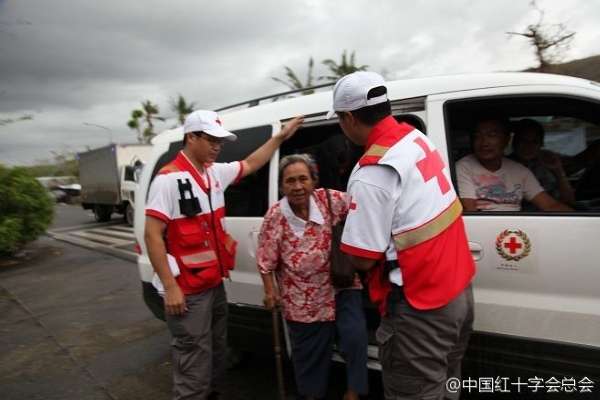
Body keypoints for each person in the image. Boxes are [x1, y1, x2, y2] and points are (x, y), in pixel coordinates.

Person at [328, 71, 476, 400]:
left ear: (349, 118)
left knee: (416, 391)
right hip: (458, 291)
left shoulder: (373, 171)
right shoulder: (416, 139)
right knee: (447, 382)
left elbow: (363, 260)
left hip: (420, 308)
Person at [144, 110, 303, 400]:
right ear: (191, 137)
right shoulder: (168, 180)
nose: (218, 146)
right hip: (187, 291)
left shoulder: (214, 173)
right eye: (211, 140)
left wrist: (279, 137)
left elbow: (252, 163)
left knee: (217, 351)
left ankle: (210, 393)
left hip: (214, 284)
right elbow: (152, 235)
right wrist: (170, 287)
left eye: (221, 141)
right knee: (193, 357)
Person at [256, 154, 368, 400]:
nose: (297, 187)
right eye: (290, 181)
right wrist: (270, 291)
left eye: (303, 179)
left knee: (355, 337)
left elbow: (365, 206)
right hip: (302, 299)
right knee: (310, 356)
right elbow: (265, 261)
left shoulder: (329, 199)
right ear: (282, 186)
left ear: (313, 180)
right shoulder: (276, 216)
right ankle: (312, 394)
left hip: (341, 285)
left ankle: (353, 392)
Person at [456, 117, 572, 212]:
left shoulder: (519, 171)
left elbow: (550, 205)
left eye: (492, 135)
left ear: (506, 140)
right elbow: (469, 210)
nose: (484, 142)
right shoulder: (464, 167)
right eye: (477, 136)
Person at [511, 118, 575, 207]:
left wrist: (558, 171)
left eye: (534, 142)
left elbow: (568, 200)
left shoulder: (547, 162)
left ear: (541, 144)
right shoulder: (504, 165)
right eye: (523, 141)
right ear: (514, 142)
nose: (528, 146)